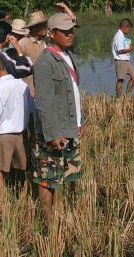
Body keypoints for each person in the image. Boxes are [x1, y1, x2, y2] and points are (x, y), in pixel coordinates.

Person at [32, 13, 83, 227]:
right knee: (47, 177)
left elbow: (71, 94)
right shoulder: (45, 62)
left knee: (66, 175)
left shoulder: (66, 55)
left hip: (70, 127)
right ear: (51, 34)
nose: (70, 34)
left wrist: (79, 123)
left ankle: (63, 214)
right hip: (55, 131)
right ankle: (48, 221)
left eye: (72, 30)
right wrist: (52, 135)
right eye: (65, 31)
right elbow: (44, 102)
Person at [0, 53, 35, 193]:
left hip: (2, 136)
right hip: (21, 135)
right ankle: (22, 195)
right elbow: (31, 111)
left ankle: (1, 200)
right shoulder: (22, 85)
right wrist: (32, 134)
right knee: (23, 168)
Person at [19, 11, 49, 96]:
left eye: (45, 25)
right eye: (42, 26)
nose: (45, 28)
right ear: (34, 28)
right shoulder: (23, 43)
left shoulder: (43, 43)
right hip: (26, 91)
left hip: (41, 90)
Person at [112, 18, 134, 97]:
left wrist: (128, 47)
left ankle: (127, 96)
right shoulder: (119, 36)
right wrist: (129, 49)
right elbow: (119, 51)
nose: (129, 31)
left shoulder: (122, 35)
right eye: (129, 29)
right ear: (125, 27)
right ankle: (118, 99)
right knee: (120, 80)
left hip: (126, 60)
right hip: (120, 61)